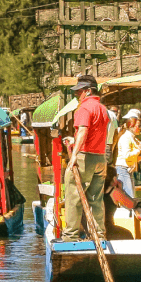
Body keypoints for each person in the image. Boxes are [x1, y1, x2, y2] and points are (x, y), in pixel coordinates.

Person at [61, 74, 109, 241]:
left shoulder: (84, 108)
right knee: (95, 199)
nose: (77, 94)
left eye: (79, 91)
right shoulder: (103, 109)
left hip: (85, 157)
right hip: (100, 158)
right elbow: (97, 134)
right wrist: (75, 141)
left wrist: (74, 156)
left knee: (73, 195)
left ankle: (70, 236)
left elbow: (83, 131)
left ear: (88, 91)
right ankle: (99, 235)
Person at [114, 109, 141, 197]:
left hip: (127, 170)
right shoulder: (126, 138)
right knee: (128, 197)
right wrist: (139, 149)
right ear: (132, 125)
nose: (140, 128)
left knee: (130, 196)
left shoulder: (132, 138)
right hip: (123, 169)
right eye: (139, 125)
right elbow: (127, 155)